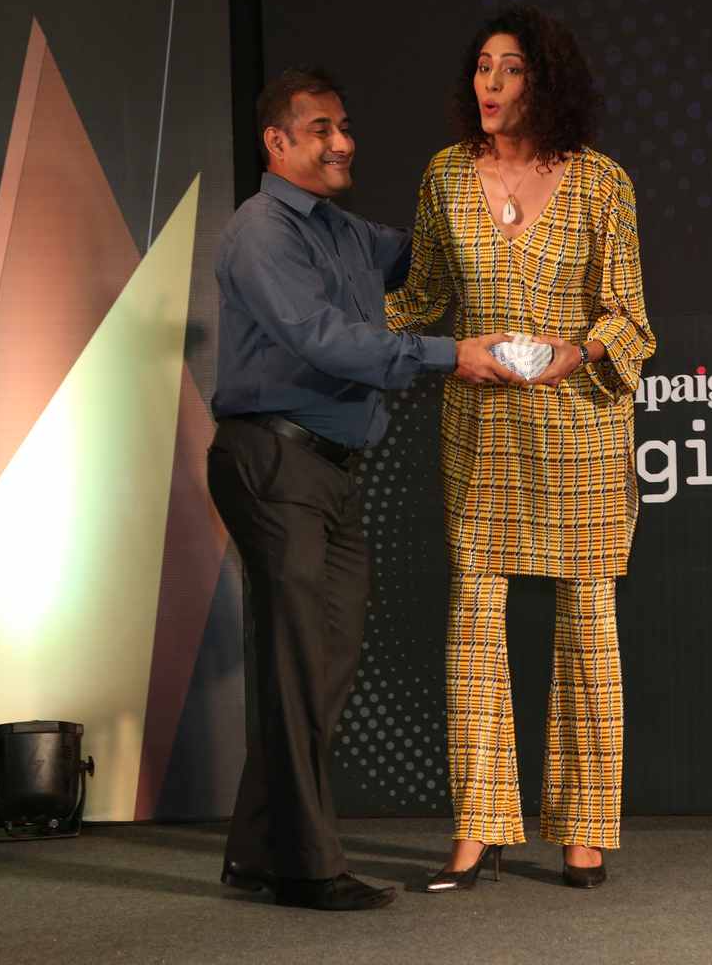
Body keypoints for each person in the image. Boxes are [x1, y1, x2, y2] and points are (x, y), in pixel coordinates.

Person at [209, 68, 517, 911]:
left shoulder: (347, 232)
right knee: (300, 667)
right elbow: (325, 341)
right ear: (277, 142)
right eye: (321, 130)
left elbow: (432, 250)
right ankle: (307, 868)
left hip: (330, 473)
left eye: (345, 126)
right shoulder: (261, 231)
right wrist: (451, 353)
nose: (343, 142)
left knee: (320, 668)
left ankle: (255, 851)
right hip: (273, 463)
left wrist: (499, 176)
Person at [386, 7, 656, 891]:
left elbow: (630, 317)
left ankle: (584, 829)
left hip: (579, 425)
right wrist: (327, 326)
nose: (491, 84)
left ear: (546, 81)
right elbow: (421, 297)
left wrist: (579, 351)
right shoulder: (444, 175)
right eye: (482, 67)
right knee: (473, 619)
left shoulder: (601, 181)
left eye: (510, 69)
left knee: (587, 619)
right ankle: (479, 827)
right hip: (482, 424)